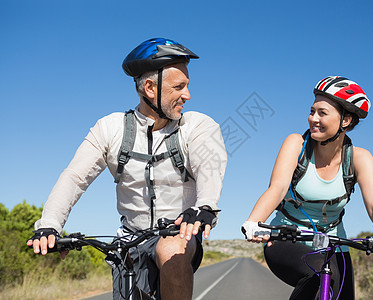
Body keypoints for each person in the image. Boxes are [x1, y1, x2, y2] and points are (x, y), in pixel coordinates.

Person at [27, 38, 227, 300]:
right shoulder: (110, 128)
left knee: (172, 250)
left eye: (187, 86)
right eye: (179, 87)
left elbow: (209, 166)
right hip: (130, 238)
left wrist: (205, 206)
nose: (187, 95)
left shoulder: (198, 126)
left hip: (179, 232)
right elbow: (75, 177)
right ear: (150, 88)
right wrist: (50, 225)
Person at [241, 76, 373, 299]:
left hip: (334, 244)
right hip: (286, 238)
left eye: (322, 113)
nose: (313, 118)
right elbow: (277, 188)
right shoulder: (297, 144)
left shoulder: (360, 159)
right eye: (312, 111)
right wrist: (255, 222)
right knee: (318, 275)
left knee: (341, 292)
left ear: (345, 120)